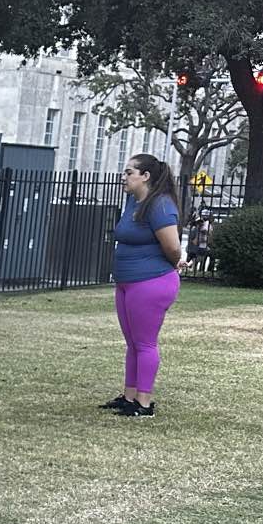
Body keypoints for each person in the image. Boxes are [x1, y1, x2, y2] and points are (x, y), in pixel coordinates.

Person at [99, 153, 183, 419]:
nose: (124, 177)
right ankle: (129, 396)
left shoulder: (160, 205)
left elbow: (172, 246)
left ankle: (144, 403)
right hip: (127, 282)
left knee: (145, 343)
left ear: (145, 176)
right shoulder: (132, 202)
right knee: (133, 343)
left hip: (151, 282)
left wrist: (175, 263)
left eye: (129, 173)